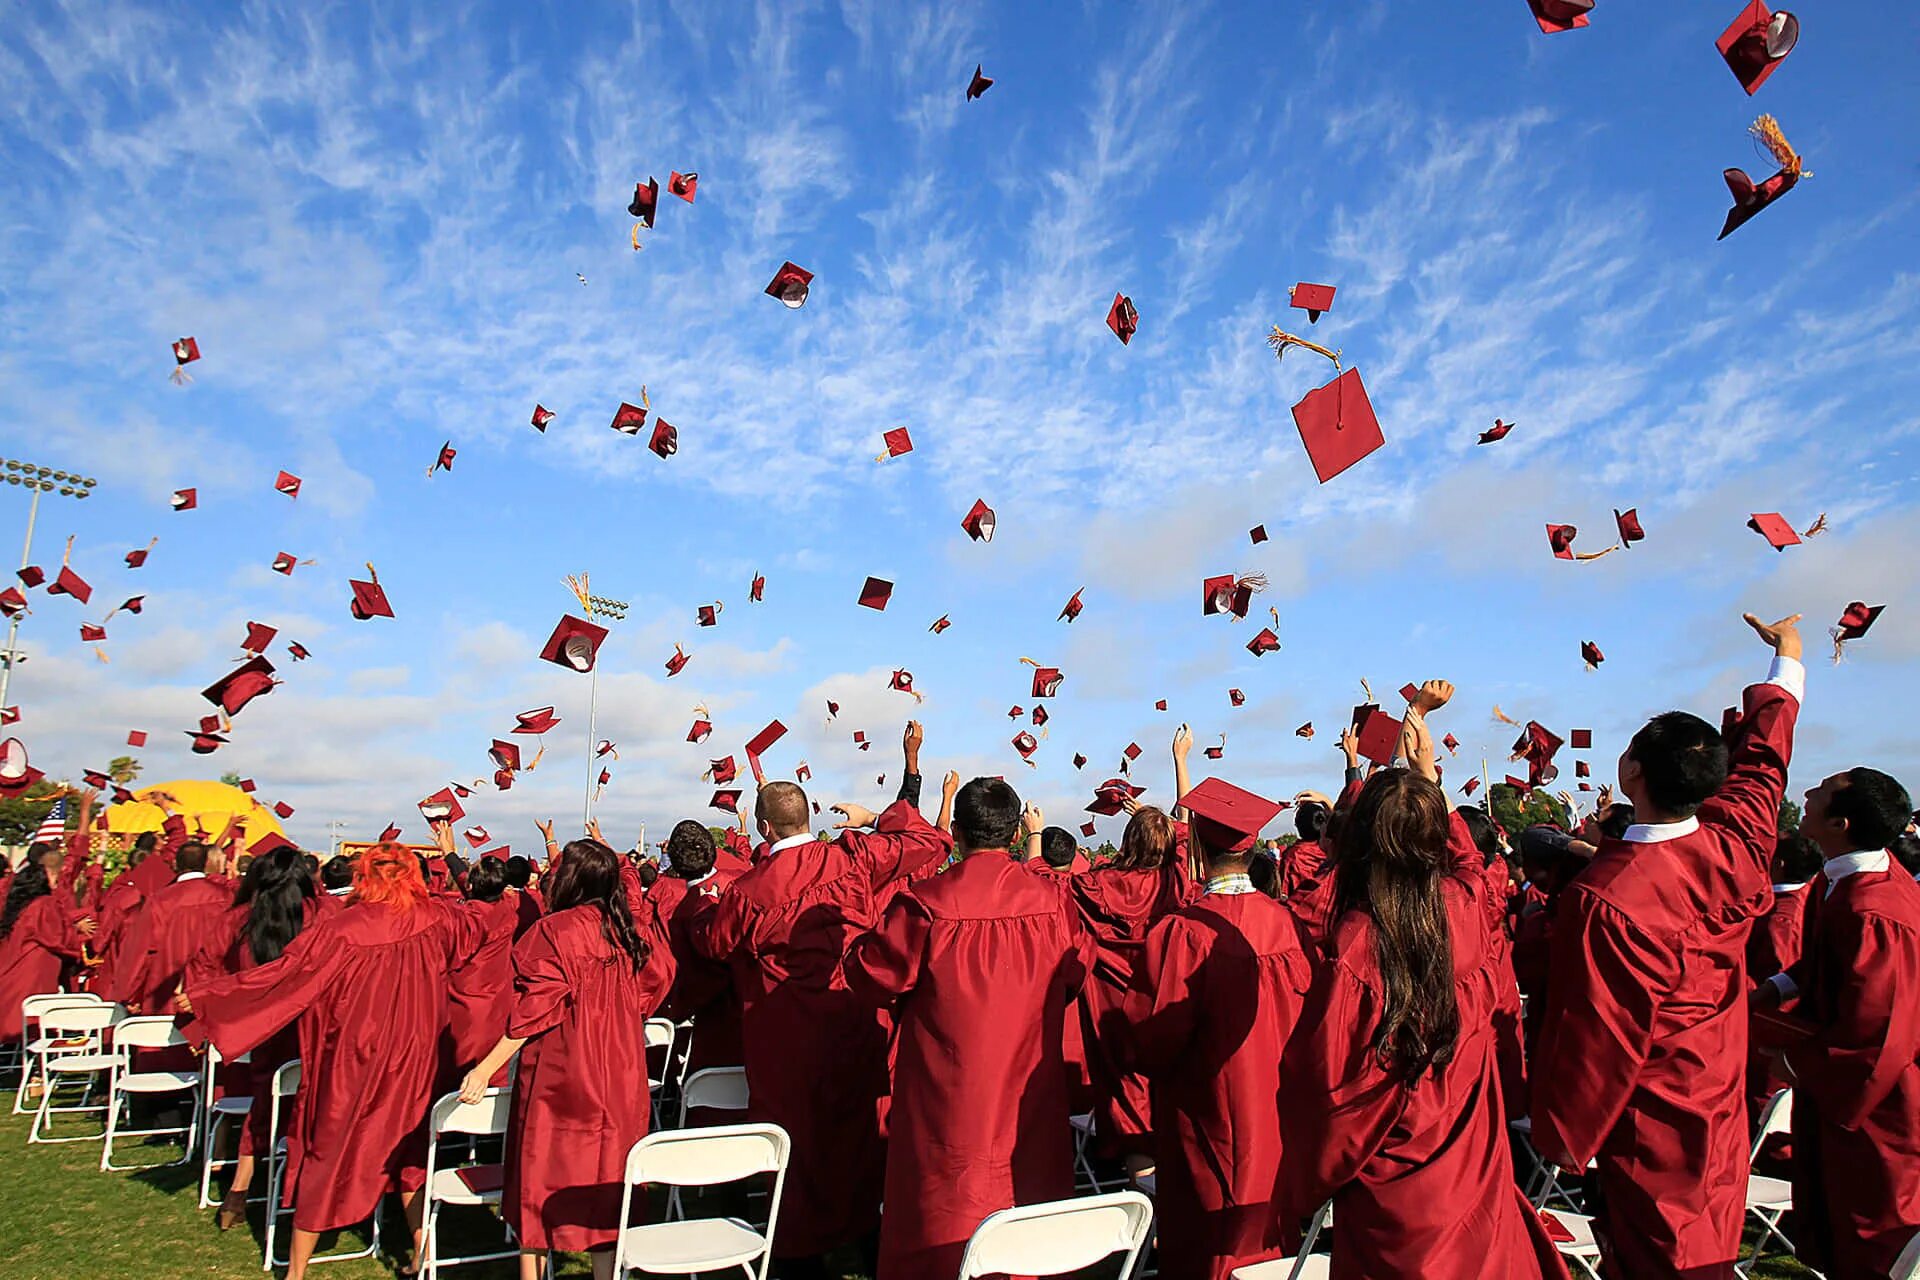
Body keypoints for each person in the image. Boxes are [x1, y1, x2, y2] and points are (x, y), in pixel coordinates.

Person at [1531, 613, 1804, 1279]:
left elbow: (1601, 1033)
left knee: (1659, 1250)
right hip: (1720, 1082)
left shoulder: (1610, 895)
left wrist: (1563, 1134)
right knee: (1705, 1238)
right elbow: (1766, 763)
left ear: (1631, 773)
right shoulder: (1739, 843)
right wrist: (1788, 662)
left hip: (1656, 1107)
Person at [1280, 681, 1565, 1277]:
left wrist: (1300, 1188)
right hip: (1473, 1178)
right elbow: (1466, 862)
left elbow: (1332, 1103)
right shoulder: (1472, 909)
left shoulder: (1358, 950)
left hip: (1396, 1202)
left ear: (1356, 844)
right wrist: (1425, 770)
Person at [691, 722, 951, 1278]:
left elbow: (714, 944)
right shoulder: (851, 859)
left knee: (797, 1147)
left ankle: (803, 1256)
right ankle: (864, 1239)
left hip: (784, 1032)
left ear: (763, 826)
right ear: (809, 816)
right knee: (853, 1132)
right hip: (852, 1015)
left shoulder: (748, 891)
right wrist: (877, 818)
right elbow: (930, 842)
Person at [182, 840, 488, 1279]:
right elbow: (476, 928)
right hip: (415, 1055)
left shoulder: (343, 928)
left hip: (352, 1057)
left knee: (329, 1149)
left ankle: (297, 1269)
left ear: (365, 876)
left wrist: (207, 997)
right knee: (410, 1147)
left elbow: (284, 977)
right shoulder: (438, 918)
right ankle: (421, 1251)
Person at [843, 778, 1095, 1278]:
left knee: (945, 1220)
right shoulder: (1052, 900)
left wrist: (852, 930)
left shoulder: (925, 904)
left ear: (957, 831)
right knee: (1025, 1203)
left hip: (949, 1095)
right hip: (1027, 1086)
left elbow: (871, 977)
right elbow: (1077, 970)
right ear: (1014, 830)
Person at [1130, 776, 1316, 1280]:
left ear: (1196, 853)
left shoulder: (1182, 932)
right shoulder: (1289, 924)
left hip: (1206, 1117)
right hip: (1278, 1112)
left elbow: (1150, 1042)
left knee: (1209, 1242)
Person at [462, 840, 670, 1280]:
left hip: (564, 1070)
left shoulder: (554, 932)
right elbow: (659, 979)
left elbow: (533, 1011)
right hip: (620, 1070)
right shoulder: (626, 928)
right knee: (606, 1180)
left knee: (538, 1179)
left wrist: (484, 1068)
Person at [1754, 767, 1920, 1276]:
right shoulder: (1839, 879)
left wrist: (1793, 1060)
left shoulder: (1875, 911)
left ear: (1841, 823)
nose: (1805, 795)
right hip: (1836, 1093)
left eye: (1821, 793)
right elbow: (1827, 963)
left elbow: (1877, 1030)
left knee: (1872, 1240)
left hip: (1877, 1106)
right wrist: (1776, 988)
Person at [1070, 729, 1199, 1173]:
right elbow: (1188, 838)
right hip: (1162, 1003)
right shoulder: (1176, 886)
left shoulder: (1092, 887)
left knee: (1126, 1095)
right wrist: (1178, 763)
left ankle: (1139, 1189)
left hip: (1110, 1011)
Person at [181, 846, 319, 1231]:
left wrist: (206, 1007)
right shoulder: (321, 916)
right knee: (313, 1105)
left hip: (259, 1028)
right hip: (311, 1028)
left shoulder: (239, 920)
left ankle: (239, 1190)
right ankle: (306, 1188)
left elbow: (203, 967)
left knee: (262, 1103)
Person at [649, 821, 744, 1089]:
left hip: (714, 1017)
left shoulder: (679, 909)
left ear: (675, 865)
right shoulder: (743, 883)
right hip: (758, 1010)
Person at [105, 840, 236, 1014]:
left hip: (166, 985)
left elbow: (141, 950)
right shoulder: (226, 896)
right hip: (212, 986)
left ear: (175, 863)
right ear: (206, 863)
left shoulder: (161, 899)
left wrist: (128, 993)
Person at [444, 856, 520, 1086]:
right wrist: (449, 853)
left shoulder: (466, 919)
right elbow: (474, 887)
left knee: (457, 1074)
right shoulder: (508, 906)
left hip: (465, 1004)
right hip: (498, 1003)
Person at [0, 860, 95, 1044]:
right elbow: (56, 936)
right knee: (34, 1018)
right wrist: (78, 937)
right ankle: (35, 1062)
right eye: (52, 875)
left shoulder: (19, 905)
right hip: (35, 969)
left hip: (18, 963)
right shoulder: (45, 903)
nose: (56, 879)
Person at [1278, 796, 1336, 946]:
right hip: (1332, 921)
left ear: (1298, 826)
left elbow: (1284, 890)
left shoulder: (1293, 856)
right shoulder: (1333, 852)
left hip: (1302, 923)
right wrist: (1326, 802)